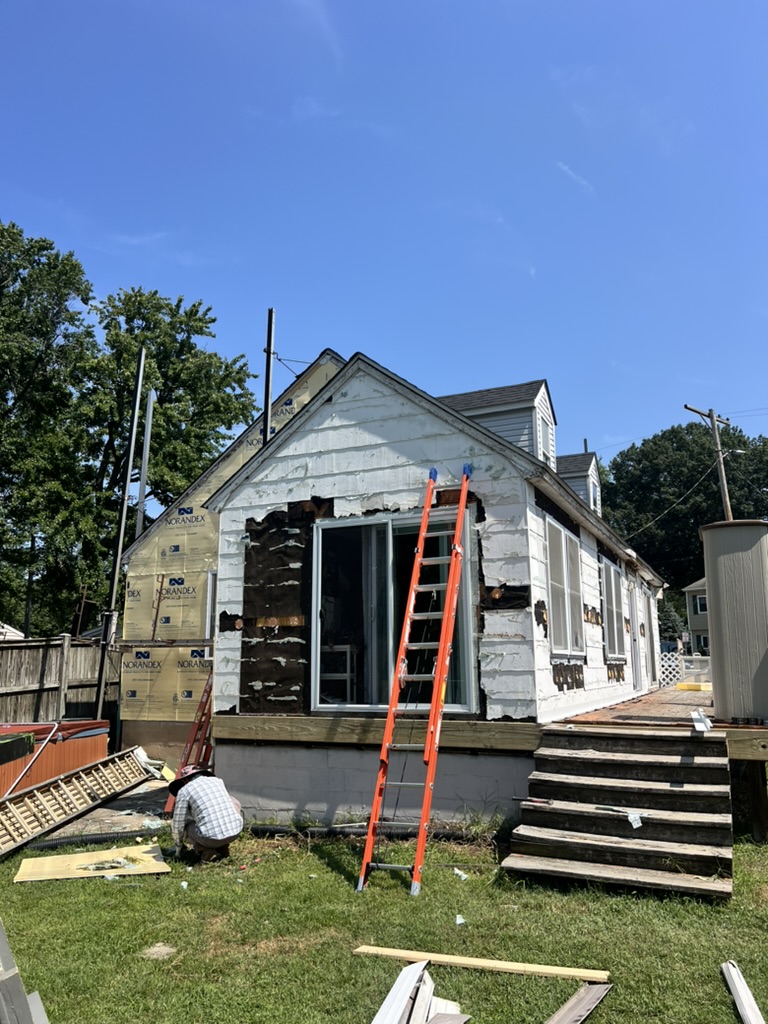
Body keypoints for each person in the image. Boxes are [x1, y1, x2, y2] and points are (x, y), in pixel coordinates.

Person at [169, 765, 244, 862]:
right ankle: (223, 848)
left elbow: (178, 822)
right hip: (235, 832)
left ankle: (207, 852)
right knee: (233, 800)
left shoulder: (184, 791)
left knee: (186, 826)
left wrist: (178, 848)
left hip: (210, 838)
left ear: (185, 781)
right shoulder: (217, 781)